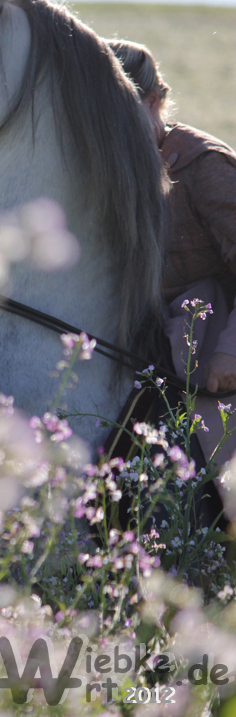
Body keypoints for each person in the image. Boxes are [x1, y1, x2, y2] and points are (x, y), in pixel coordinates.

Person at [109, 39, 236, 469]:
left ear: (154, 101)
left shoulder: (205, 167)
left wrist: (230, 352)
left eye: (126, 114)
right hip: (151, 355)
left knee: (221, 492)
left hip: (215, 359)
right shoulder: (115, 174)